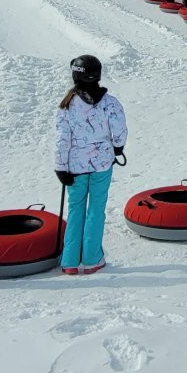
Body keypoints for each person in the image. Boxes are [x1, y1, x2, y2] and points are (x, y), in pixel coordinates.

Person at [54, 55, 128, 275]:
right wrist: (117, 148)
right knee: (96, 210)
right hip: (101, 164)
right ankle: (92, 258)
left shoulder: (67, 105)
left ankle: (69, 261)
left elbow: (62, 139)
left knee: (76, 209)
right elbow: (120, 129)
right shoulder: (110, 102)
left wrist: (60, 166)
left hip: (75, 167)